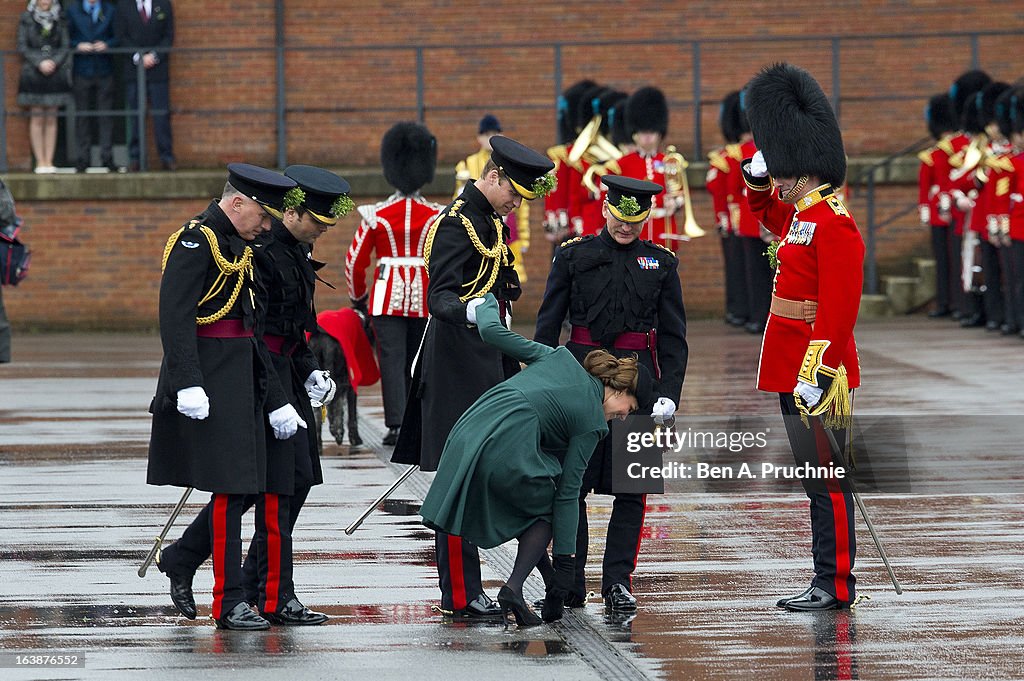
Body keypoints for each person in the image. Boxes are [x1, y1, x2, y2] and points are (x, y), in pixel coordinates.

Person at [155, 165, 351, 628]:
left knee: (288, 481)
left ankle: (246, 581)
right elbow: (185, 317)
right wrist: (188, 380)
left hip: (271, 370)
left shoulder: (264, 249)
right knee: (249, 486)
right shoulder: (233, 246)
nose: (318, 234)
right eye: (315, 223)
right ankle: (247, 586)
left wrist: (308, 371)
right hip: (246, 374)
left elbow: (292, 325)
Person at [391, 135, 556, 619]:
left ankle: (500, 581)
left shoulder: (490, 222)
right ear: (493, 177)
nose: (515, 204)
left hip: (491, 356)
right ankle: (460, 592)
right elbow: (437, 297)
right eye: (513, 193)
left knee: (491, 469)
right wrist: (472, 313)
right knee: (461, 473)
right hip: (457, 361)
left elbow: (501, 282)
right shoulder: (455, 223)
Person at [420, 294, 638, 626]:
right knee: (548, 505)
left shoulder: (559, 358)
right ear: (618, 390)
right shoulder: (591, 421)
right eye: (629, 409)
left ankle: (535, 585)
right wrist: (566, 563)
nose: (623, 418)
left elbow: (494, 334)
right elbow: (568, 493)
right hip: (508, 442)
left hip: (471, 426)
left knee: (530, 503)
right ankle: (513, 587)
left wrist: (488, 303)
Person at [534, 174, 688, 612]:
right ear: (606, 209)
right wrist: (544, 380)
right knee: (572, 486)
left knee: (632, 489)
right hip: (581, 380)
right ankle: (572, 576)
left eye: (635, 222)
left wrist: (669, 393)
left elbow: (674, 337)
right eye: (620, 219)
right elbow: (548, 325)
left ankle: (619, 581)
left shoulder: (661, 263)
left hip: (639, 384)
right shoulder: (573, 255)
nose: (626, 228)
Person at [741, 62, 863, 611]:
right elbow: (767, 215)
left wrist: (820, 370)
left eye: (784, 168)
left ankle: (834, 583)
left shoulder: (834, 222)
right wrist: (758, 178)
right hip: (795, 365)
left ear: (803, 167)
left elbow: (839, 309)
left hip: (818, 372)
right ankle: (823, 577)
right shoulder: (803, 215)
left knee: (827, 482)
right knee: (815, 479)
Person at [346, 122, 442, 446]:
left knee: (391, 359)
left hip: (385, 295)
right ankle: (418, 422)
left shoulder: (377, 214)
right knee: (419, 360)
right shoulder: (436, 215)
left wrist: (358, 297)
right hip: (425, 296)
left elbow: (355, 261)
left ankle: (397, 424)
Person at [455, 115, 531, 284]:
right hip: (478, 224)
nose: (490, 138)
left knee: (509, 273)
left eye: (495, 133)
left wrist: (524, 236)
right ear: (479, 138)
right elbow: (459, 199)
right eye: (486, 134)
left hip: (506, 221)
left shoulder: (510, 163)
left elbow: (521, 205)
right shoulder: (467, 163)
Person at [617, 86, 686, 249]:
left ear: (659, 133)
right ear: (635, 134)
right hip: (634, 229)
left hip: (663, 227)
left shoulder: (670, 161)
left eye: (651, 132)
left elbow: (680, 193)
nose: (647, 137)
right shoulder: (622, 164)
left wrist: (675, 204)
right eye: (642, 132)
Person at [706, 90, 750, 328]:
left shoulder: (737, 154)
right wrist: (723, 217)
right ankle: (736, 309)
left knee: (744, 268)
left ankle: (742, 310)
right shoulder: (730, 155)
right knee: (735, 267)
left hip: (743, 218)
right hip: (734, 218)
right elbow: (719, 190)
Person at [115, 0, 174, 170]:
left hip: (158, 70)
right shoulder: (123, 6)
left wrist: (154, 56)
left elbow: (169, 36)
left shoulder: (163, 4)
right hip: (133, 72)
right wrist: (138, 56)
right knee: (135, 116)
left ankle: (166, 157)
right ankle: (135, 158)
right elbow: (121, 35)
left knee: (161, 115)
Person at [917, 93, 960, 318]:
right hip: (941, 211)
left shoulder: (953, 149)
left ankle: (954, 302)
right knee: (944, 261)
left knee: (953, 260)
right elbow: (927, 185)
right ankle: (946, 302)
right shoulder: (937, 153)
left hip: (954, 209)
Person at [16, 0, 72, 174]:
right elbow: (22, 45)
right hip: (33, 74)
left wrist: (53, 62)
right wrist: (39, 62)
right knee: (38, 117)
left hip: (55, 74)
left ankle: (49, 160)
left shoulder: (60, 19)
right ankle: (40, 161)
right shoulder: (26, 19)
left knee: (52, 118)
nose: (46, 1)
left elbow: (64, 45)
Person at [67, 0, 118, 172]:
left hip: (105, 69)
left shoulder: (110, 10)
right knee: (83, 116)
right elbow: (66, 37)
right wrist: (78, 45)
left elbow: (119, 35)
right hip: (82, 70)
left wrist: (108, 44)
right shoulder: (73, 10)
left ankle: (107, 157)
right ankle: (83, 158)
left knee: (106, 115)